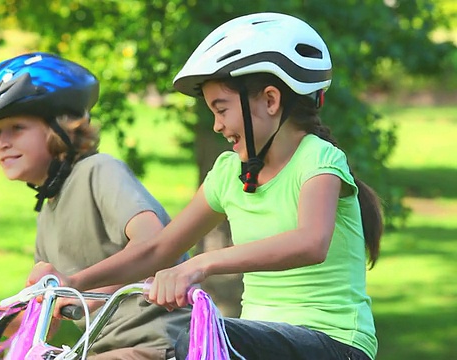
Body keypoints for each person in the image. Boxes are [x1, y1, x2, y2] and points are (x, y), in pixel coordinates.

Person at [27, 12, 383, 360]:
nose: (216, 125)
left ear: (271, 101)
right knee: (201, 340)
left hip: (334, 343)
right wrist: (73, 282)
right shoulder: (229, 172)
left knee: (200, 338)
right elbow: (157, 250)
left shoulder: (318, 159)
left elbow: (311, 242)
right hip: (256, 341)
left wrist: (201, 264)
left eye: (222, 108)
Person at [0, 52, 191, 360]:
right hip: (99, 351)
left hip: (157, 343)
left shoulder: (98, 171)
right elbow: (42, 320)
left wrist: (76, 283)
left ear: (60, 128)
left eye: (16, 128)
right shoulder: (49, 211)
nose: (2, 142)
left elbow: (155, 242)